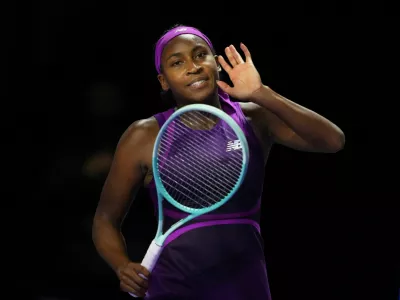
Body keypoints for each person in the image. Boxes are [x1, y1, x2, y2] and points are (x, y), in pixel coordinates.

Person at [92, 24, 345, 299]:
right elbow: (105, 219)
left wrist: (262, 93)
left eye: (201, 55)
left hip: (246, 284)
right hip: (174, 287)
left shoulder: (254, 119)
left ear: (216, 63)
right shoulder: (143, 136)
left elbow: (332, 141)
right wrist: (122, 266)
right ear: (164, 81)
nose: (193, 67)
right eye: (177, 62)